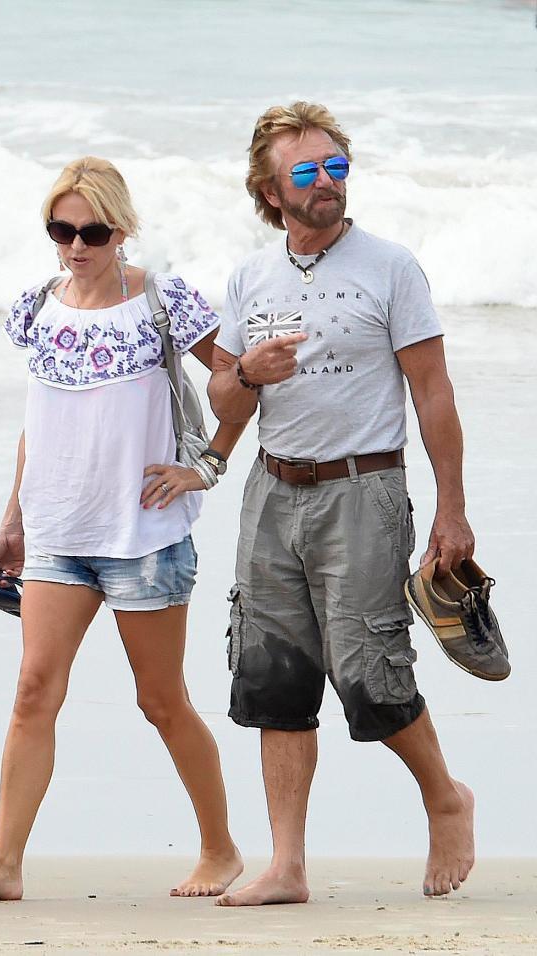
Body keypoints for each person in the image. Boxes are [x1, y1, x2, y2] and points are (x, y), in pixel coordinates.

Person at [0, 156, 246, 903]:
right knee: (33, 692)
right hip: (55, 535)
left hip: (145, 535)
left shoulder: (165, 303)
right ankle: (3, 865)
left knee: (160, 700)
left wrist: (205, 467)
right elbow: (37, 423)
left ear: (122, 230)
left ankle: (222, 849)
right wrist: (11, 518)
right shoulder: (38, 306)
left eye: (92, 231)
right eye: (61, 229)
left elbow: (238, 387)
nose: (76, 245)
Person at [207, 102, 476, 906]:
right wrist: (248, 372)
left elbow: (433, 391)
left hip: (364, 489)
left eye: (336, 167)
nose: (327, 184)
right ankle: (287, 866)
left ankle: (445, 797)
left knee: (372, 677)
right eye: (307, 172)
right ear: (269, 188)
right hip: (271, 491)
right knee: (272, 681)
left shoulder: (390, 266)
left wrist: (451, 511)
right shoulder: (250, 277)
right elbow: (225, 403)